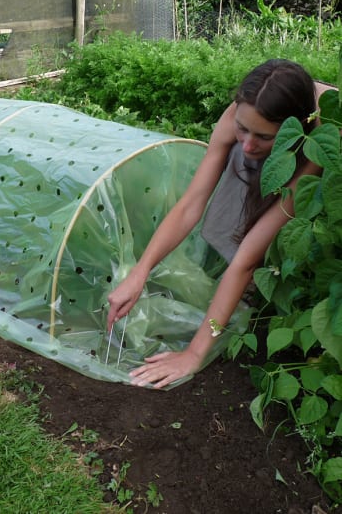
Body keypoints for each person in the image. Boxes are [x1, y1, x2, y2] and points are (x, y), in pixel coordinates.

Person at [107, 59, 336, 389]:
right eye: (243, 129)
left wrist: (194, 353)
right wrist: (139, 273)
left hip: (322, 146)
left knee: (282, 231)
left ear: (295, 127)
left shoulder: (321, 137)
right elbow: (190, 206)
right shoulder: (241, 113)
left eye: (263, 136)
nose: (247, 143)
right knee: (244, 163)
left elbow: (248, 258)